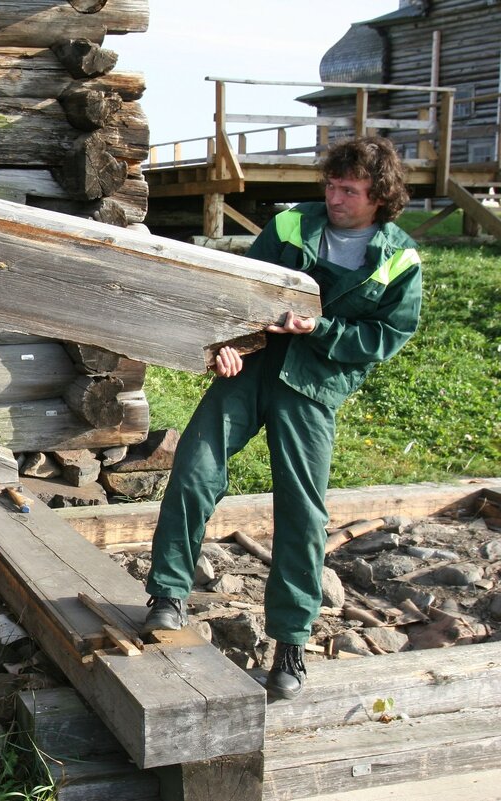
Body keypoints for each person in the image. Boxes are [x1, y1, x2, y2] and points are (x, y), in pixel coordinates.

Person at [141, 136, 422, 700]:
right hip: (252, 371)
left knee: (302, 509)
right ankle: (168, 595)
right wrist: (228, 345)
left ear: (379, 196)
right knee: (195, 469)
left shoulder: (399, 259)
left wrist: (319, 330)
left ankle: (291, 642)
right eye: (332, 184)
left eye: (350, 189)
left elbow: (384, 338)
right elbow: (238, 294)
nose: (335, 196)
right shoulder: (293, 225)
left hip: (314, 385)